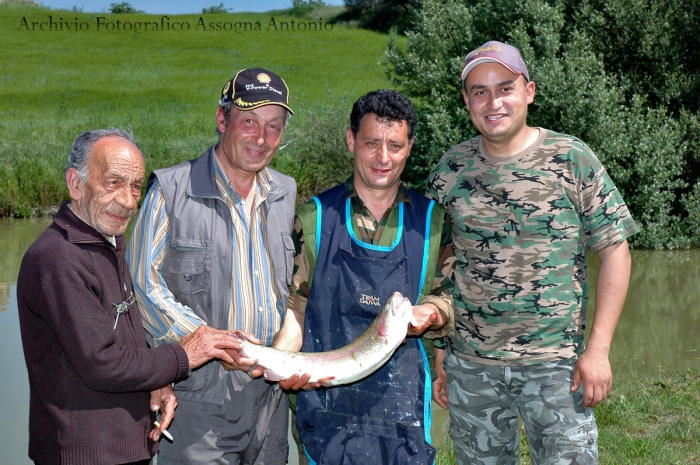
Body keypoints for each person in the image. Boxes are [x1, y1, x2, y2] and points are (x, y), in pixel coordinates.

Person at [427, 41, 639, 464]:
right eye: (480, 91)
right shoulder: (450, 171)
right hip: (472, 366)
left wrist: (597, 351)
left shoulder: (571, 158)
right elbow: (443, 266)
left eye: (505, 88)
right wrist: (440, 356)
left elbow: (616, 250)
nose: (493, 102)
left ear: (529, 91)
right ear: (467, 100)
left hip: (558, 366)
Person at [17, 129, 247, 465]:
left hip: (120, 447)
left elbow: (123, 339)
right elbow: (101, 362)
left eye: (136, 186)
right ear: (76, 184)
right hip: (83, 454)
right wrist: (184, 355)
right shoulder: (58, 258)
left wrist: (157, 381)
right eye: (113, 182)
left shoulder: (105, 244)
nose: (127, 200)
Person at [278, 89, 457, 464]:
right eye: (372, 142)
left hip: (404, 410)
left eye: (395, 145)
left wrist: (432, 313)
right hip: (325, 406)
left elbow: (448, 297)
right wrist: (280, 364)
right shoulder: (312, 218)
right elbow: (296, 310)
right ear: (351, 140)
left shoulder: (433, 222)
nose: (383, 157)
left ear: (409, 147)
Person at [128, 68, 297, 465]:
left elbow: (293, 288)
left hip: (271, 397)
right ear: (222, 120)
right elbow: (142, 285)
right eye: (249, 121)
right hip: (197, 395)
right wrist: (216, 344)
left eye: (274, 126)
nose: (261, 138)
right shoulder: (171, 190)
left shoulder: (286, 192)